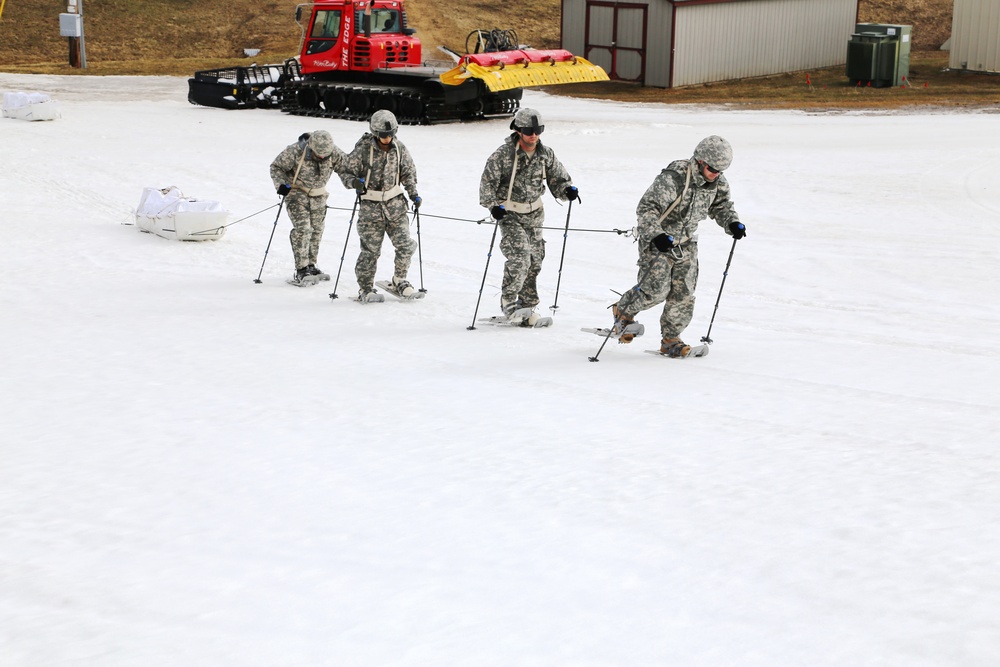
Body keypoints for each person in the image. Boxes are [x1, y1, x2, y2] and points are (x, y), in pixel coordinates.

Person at [610, 135, 747, 357]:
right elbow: (647, 208)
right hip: (659, 242)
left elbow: (721, 206)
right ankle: (623, 311)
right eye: (713, 169)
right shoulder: (675, 177)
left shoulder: (717, 181)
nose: (716, 175)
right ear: (701, 161)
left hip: (686, 243)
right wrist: (657, 235)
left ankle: (671, 340)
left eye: (721, 171)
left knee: (683, 294)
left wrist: (732, 222)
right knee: (656, 290)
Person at [479, 108, 577, 326]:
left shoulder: (546, 154)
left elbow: (559, 179)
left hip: (535, 215)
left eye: (537, 130)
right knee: (520, 257)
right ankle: (509, 301)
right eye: (528, 130)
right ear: (518, 130)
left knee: (535, 260)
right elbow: (487, 185)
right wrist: (493, 206)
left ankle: (528, 303)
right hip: (510, 215)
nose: (533, 135)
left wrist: (567, 190)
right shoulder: (503, 155)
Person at [341, 109, 421, 302]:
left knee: (406, 245)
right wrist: (354, 183)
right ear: (375, 133)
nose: (387, 138)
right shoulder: (363, 150)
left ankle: (399, 279)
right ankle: (365, 288)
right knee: (370, 251)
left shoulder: (399, 148)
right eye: (384, 135)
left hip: (396, 207)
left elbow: (408, 172)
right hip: (371, 210)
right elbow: (345, 171)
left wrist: (414, 193)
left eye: (391, 134)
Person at [270, 130, 350, 286]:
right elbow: (276, 167)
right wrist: (280, 184)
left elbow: (346, 169)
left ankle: (311, 265)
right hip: (296, 193)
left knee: (316, 230)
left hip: (319, 196)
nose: (321, 157)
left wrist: (353, 183)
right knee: (303, 229)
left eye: (324, 156)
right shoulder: (295, 151)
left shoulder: (333, 152)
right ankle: (301, 269)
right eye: (318, 154)